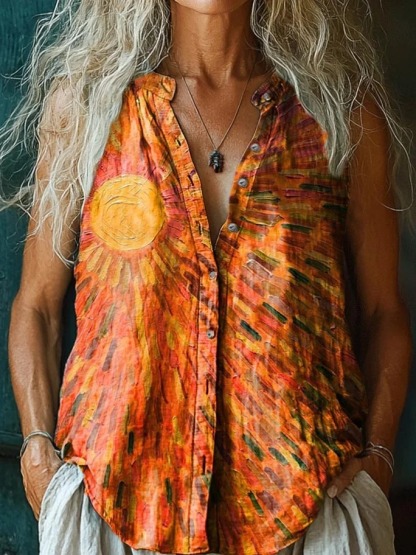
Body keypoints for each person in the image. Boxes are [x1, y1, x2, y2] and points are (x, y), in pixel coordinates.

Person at [2, 0, 413, 554]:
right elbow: (37, 307)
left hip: (307, 515)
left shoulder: (338, 117)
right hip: (115, 511)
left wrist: (379, 459)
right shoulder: (87, 107)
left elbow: (384, 312)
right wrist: (37, 452)